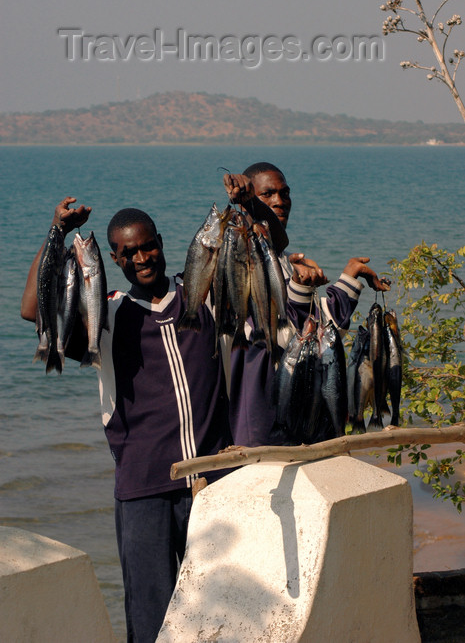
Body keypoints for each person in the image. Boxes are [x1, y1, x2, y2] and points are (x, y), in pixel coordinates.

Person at [20, 196, 238, 643]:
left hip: (215, 482)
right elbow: (33, 311)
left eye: (148, 247)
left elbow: (248, 270)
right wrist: (56, 233)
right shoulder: (109, 314)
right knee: (151, 614)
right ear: (114, 258)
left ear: (160, 243)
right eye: (129, 252)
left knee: (224, 607)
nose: (142, 258)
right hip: (144, 488)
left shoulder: (202, 294)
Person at [224, 162, 390, 447]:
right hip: (264, 426)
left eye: (285, 193)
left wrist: (349, 276)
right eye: (268, 195)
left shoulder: (289, 261)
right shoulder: (239, 265)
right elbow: (276, 332)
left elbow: (318, 330)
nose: (280, 201)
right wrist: (301, 290)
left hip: (309, 419)